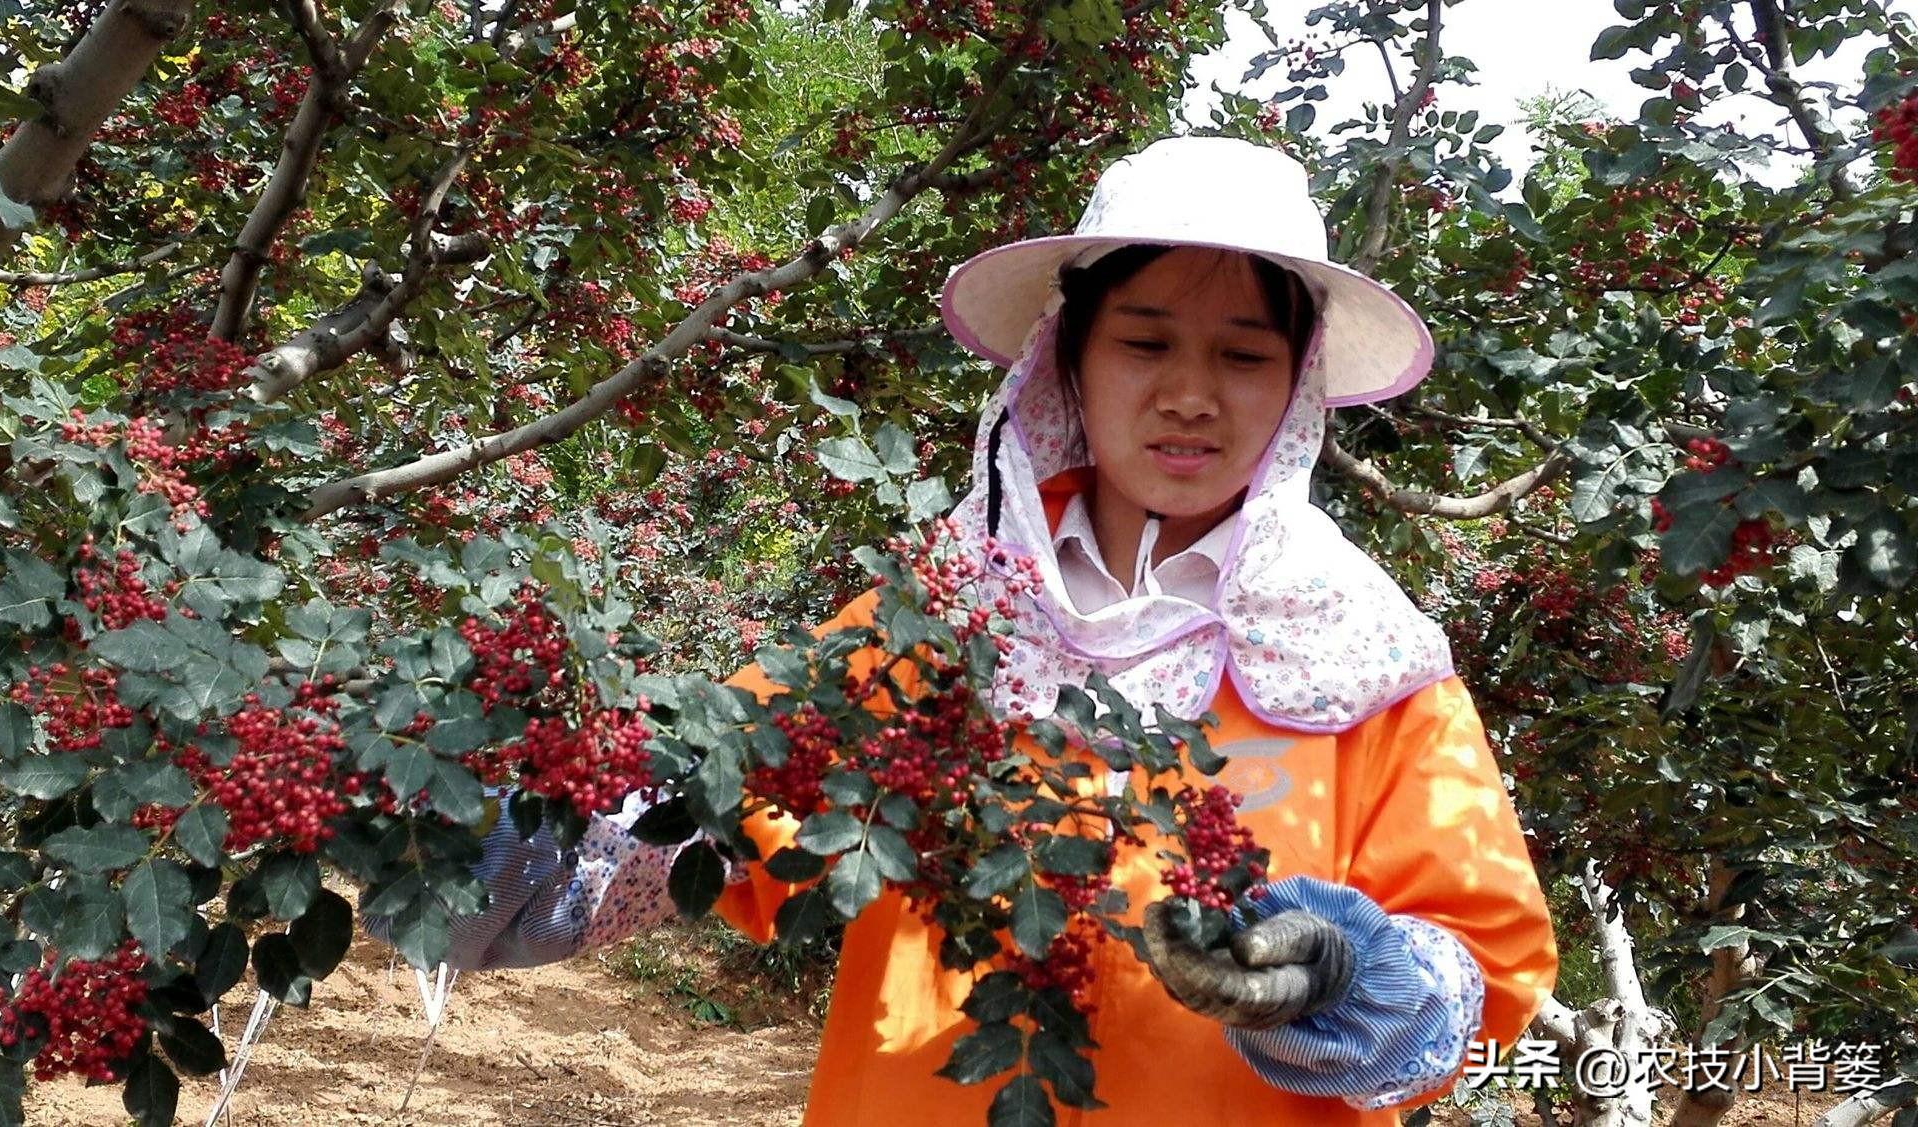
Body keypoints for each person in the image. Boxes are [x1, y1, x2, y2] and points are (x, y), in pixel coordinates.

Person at [365, 135, 1560, 1125]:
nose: (1190, 392)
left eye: (1242, 356)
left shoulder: (1368, 665)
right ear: (1068, 363)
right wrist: (510, 832)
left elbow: (1480, 988)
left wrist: (1338, 974)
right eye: (1144, 340)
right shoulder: (941, 615)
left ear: (1294, 388)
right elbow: (726, 819)